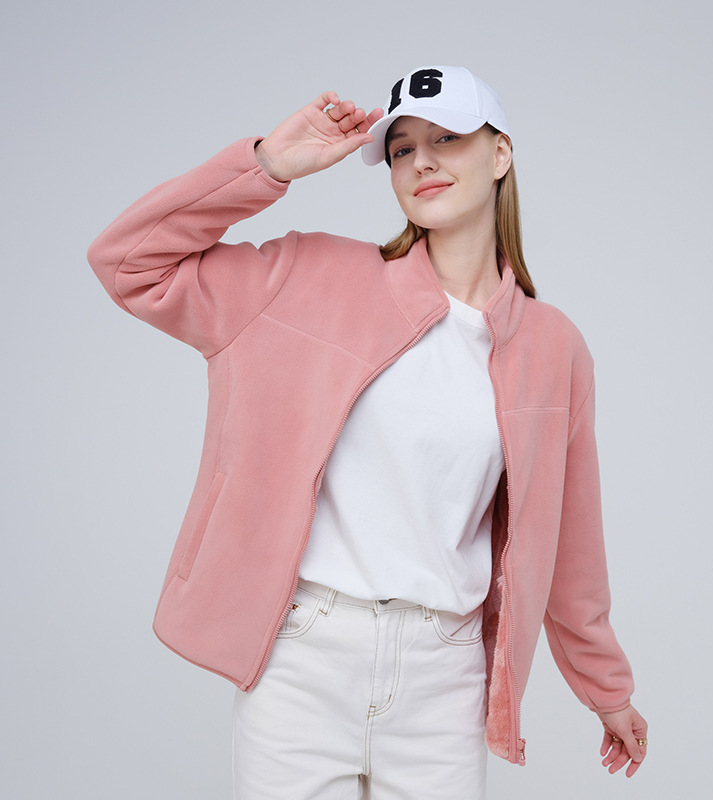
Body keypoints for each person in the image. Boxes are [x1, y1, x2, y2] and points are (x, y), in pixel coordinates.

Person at [88, 65, 648, 799]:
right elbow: (128, 263)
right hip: (303, 661)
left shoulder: (553, 347)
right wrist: (265, 166)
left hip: (445, 678)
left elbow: (568, 540)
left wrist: (606, 690)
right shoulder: (309, 276)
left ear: (501, 154)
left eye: (448, 138)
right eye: (402, 149)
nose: (422, 162)